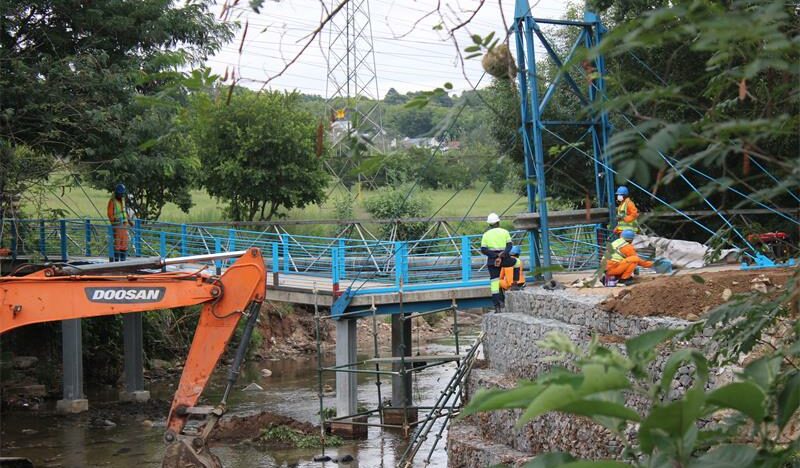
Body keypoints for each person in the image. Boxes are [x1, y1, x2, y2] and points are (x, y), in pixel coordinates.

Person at [480, 213, 514, 312]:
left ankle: (497, 307)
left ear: (489, 224)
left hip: (492, 261)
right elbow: (509, 246)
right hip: (505, 259)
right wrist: (502, 255)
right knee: (517, 263)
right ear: (498, 222)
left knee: (494, 283)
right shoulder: (505, 232)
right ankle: (516, 283)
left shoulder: (486, 235)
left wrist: (495, 256)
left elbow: (483, 249)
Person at [107, 183, 131, 261]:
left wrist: (129, 220)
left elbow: (124, 212)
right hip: (117, 225)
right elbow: (110, 214)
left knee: (124, 242)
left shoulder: (122, 201)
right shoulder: (112, 202)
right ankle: (117, 261)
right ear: (117, 193)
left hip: (124, 225)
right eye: (120, 194)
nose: (122, 195)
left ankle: (123, 260)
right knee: (118, 243)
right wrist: (114, 219)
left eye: (122, 194)